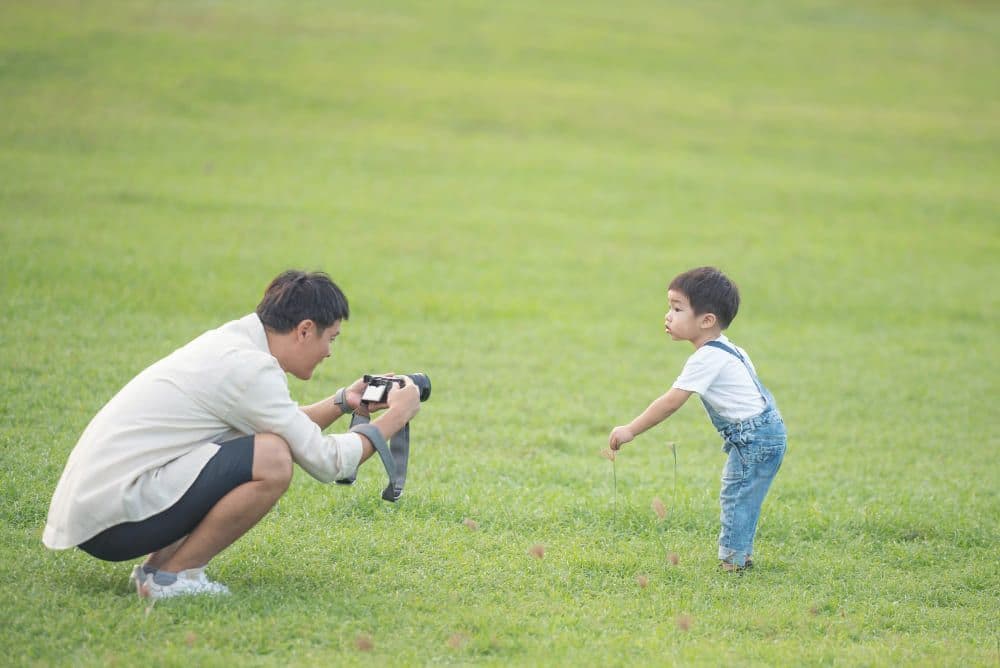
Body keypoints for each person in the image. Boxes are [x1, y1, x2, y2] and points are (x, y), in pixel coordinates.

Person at [43, 270, 421, 598]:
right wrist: (396, 416)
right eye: (331, 339)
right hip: (113, 522)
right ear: (305, 330)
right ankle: (173, 578)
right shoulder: (249, 370)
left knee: (263, 447)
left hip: (99, 512)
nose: (329, 353)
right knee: (272, 459)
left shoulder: (234, 345)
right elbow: (326, 462)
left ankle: (155, 572)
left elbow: (284, 426)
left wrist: (342, 402)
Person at [608, 267, 786, 572]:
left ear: (706, 320)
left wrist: (630, 430)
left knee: (737, 496)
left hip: (754, 437)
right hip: (767, 431)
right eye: (669, 307)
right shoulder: (730, 349)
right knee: (743, 496)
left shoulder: (707, 358)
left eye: (677, 309)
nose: (668, 316)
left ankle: (733, 562)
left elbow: (671, 402)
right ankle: (740, 555)